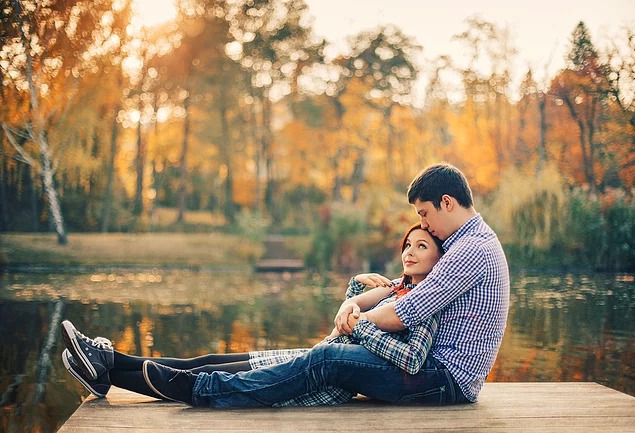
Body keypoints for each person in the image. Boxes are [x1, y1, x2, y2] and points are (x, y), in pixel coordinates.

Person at [66, 162, 510, 408]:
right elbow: (401, 288)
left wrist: (354, 319)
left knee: (328, 357)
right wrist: (355, 303)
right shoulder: (462, 245)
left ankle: (200, 390)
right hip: (428, 372)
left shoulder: (470, 250)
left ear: (447, 202)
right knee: (245, 358)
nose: (423, 224)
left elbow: (404, 311)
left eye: (425, 215)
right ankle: (110, 364)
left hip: (441, 380)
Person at [61, 224, 444, 406]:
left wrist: (361, 325)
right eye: (407, 244)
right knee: (209, 361)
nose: (409, 252)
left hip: (324, 380)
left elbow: (408, 357)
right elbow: (342, 328)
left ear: (439, 259)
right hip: (313, 356)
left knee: (205, 377)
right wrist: (355, 290)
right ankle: (108, 364)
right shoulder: (393, 288)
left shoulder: (425, 302)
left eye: (421, 246)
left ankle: (107, 367)